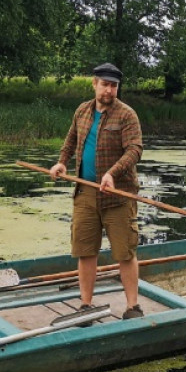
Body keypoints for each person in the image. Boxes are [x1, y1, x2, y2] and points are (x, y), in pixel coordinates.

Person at [49, 62, 144, 320]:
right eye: (105, 85)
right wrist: (61, 162)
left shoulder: (127, 115)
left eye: (114, 86)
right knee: (85, 250)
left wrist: (112, 173)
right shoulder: (82, 111)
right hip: (86, 194)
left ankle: (133, 306)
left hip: (118, 196)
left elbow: (134, 150)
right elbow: (71, 140)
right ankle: (86, 305)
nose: (109, 90)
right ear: (94, 84)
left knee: (125, 252)